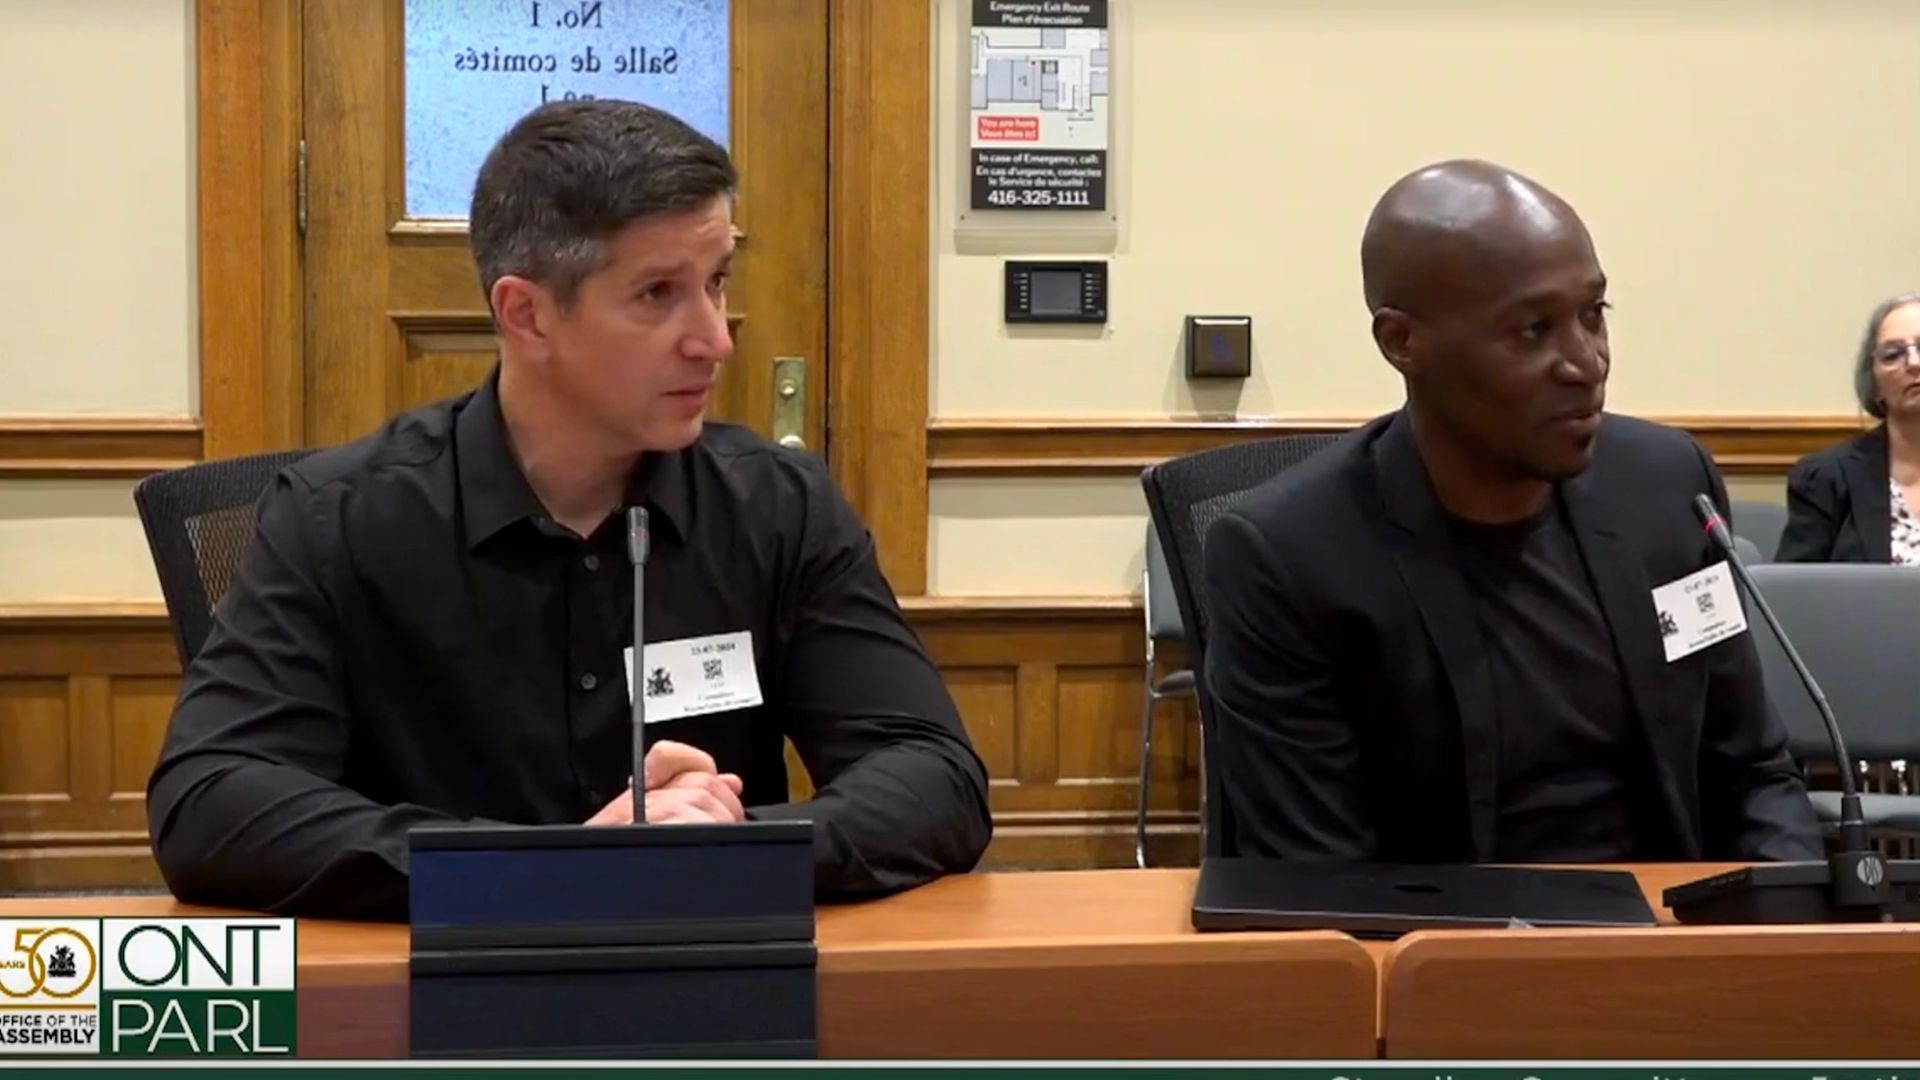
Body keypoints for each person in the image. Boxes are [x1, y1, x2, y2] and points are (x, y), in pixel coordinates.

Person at [147, 100, 992, 918]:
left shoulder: (777, 505)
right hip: (440, 1000)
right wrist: (545, 869)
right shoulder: (337, 519)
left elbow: (932, 775)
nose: (715, 338)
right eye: (658, 293)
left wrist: (730, 848)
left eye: (717, 281)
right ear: (527, 314)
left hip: (712, 990)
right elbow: (211, 802)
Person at [1201, 160, 1820, 864]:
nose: (1586, 363)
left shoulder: (1667, 489)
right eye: (1533, 330)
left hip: (1669, 941)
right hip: (1450, 951)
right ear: (1402, 342)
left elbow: (1750, 771)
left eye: (1593, 315)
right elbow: (1316, 875)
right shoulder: (1290, 555)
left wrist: (1783, 928)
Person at [1776, 293, 1920, 564]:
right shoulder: (1827, 478)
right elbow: (1794, 596)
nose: (1913, 363)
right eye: (1893, 355)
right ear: (1874, 386)